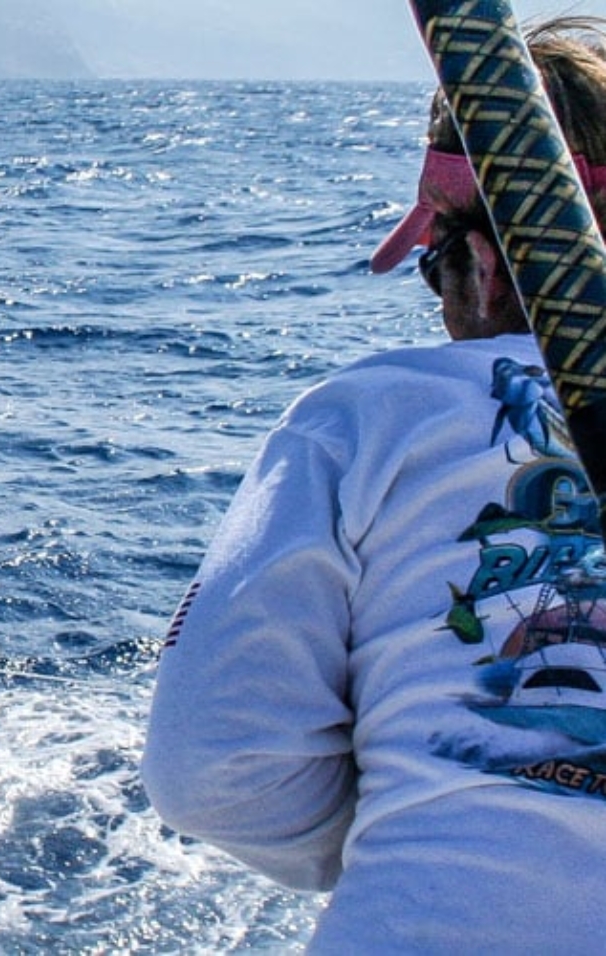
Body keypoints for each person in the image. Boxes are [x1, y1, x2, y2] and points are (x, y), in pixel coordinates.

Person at [141, 17, 606, 952]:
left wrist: (420, 825)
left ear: (475, 264)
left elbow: (211, 768)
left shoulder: (362, 420)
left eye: (432, 268)